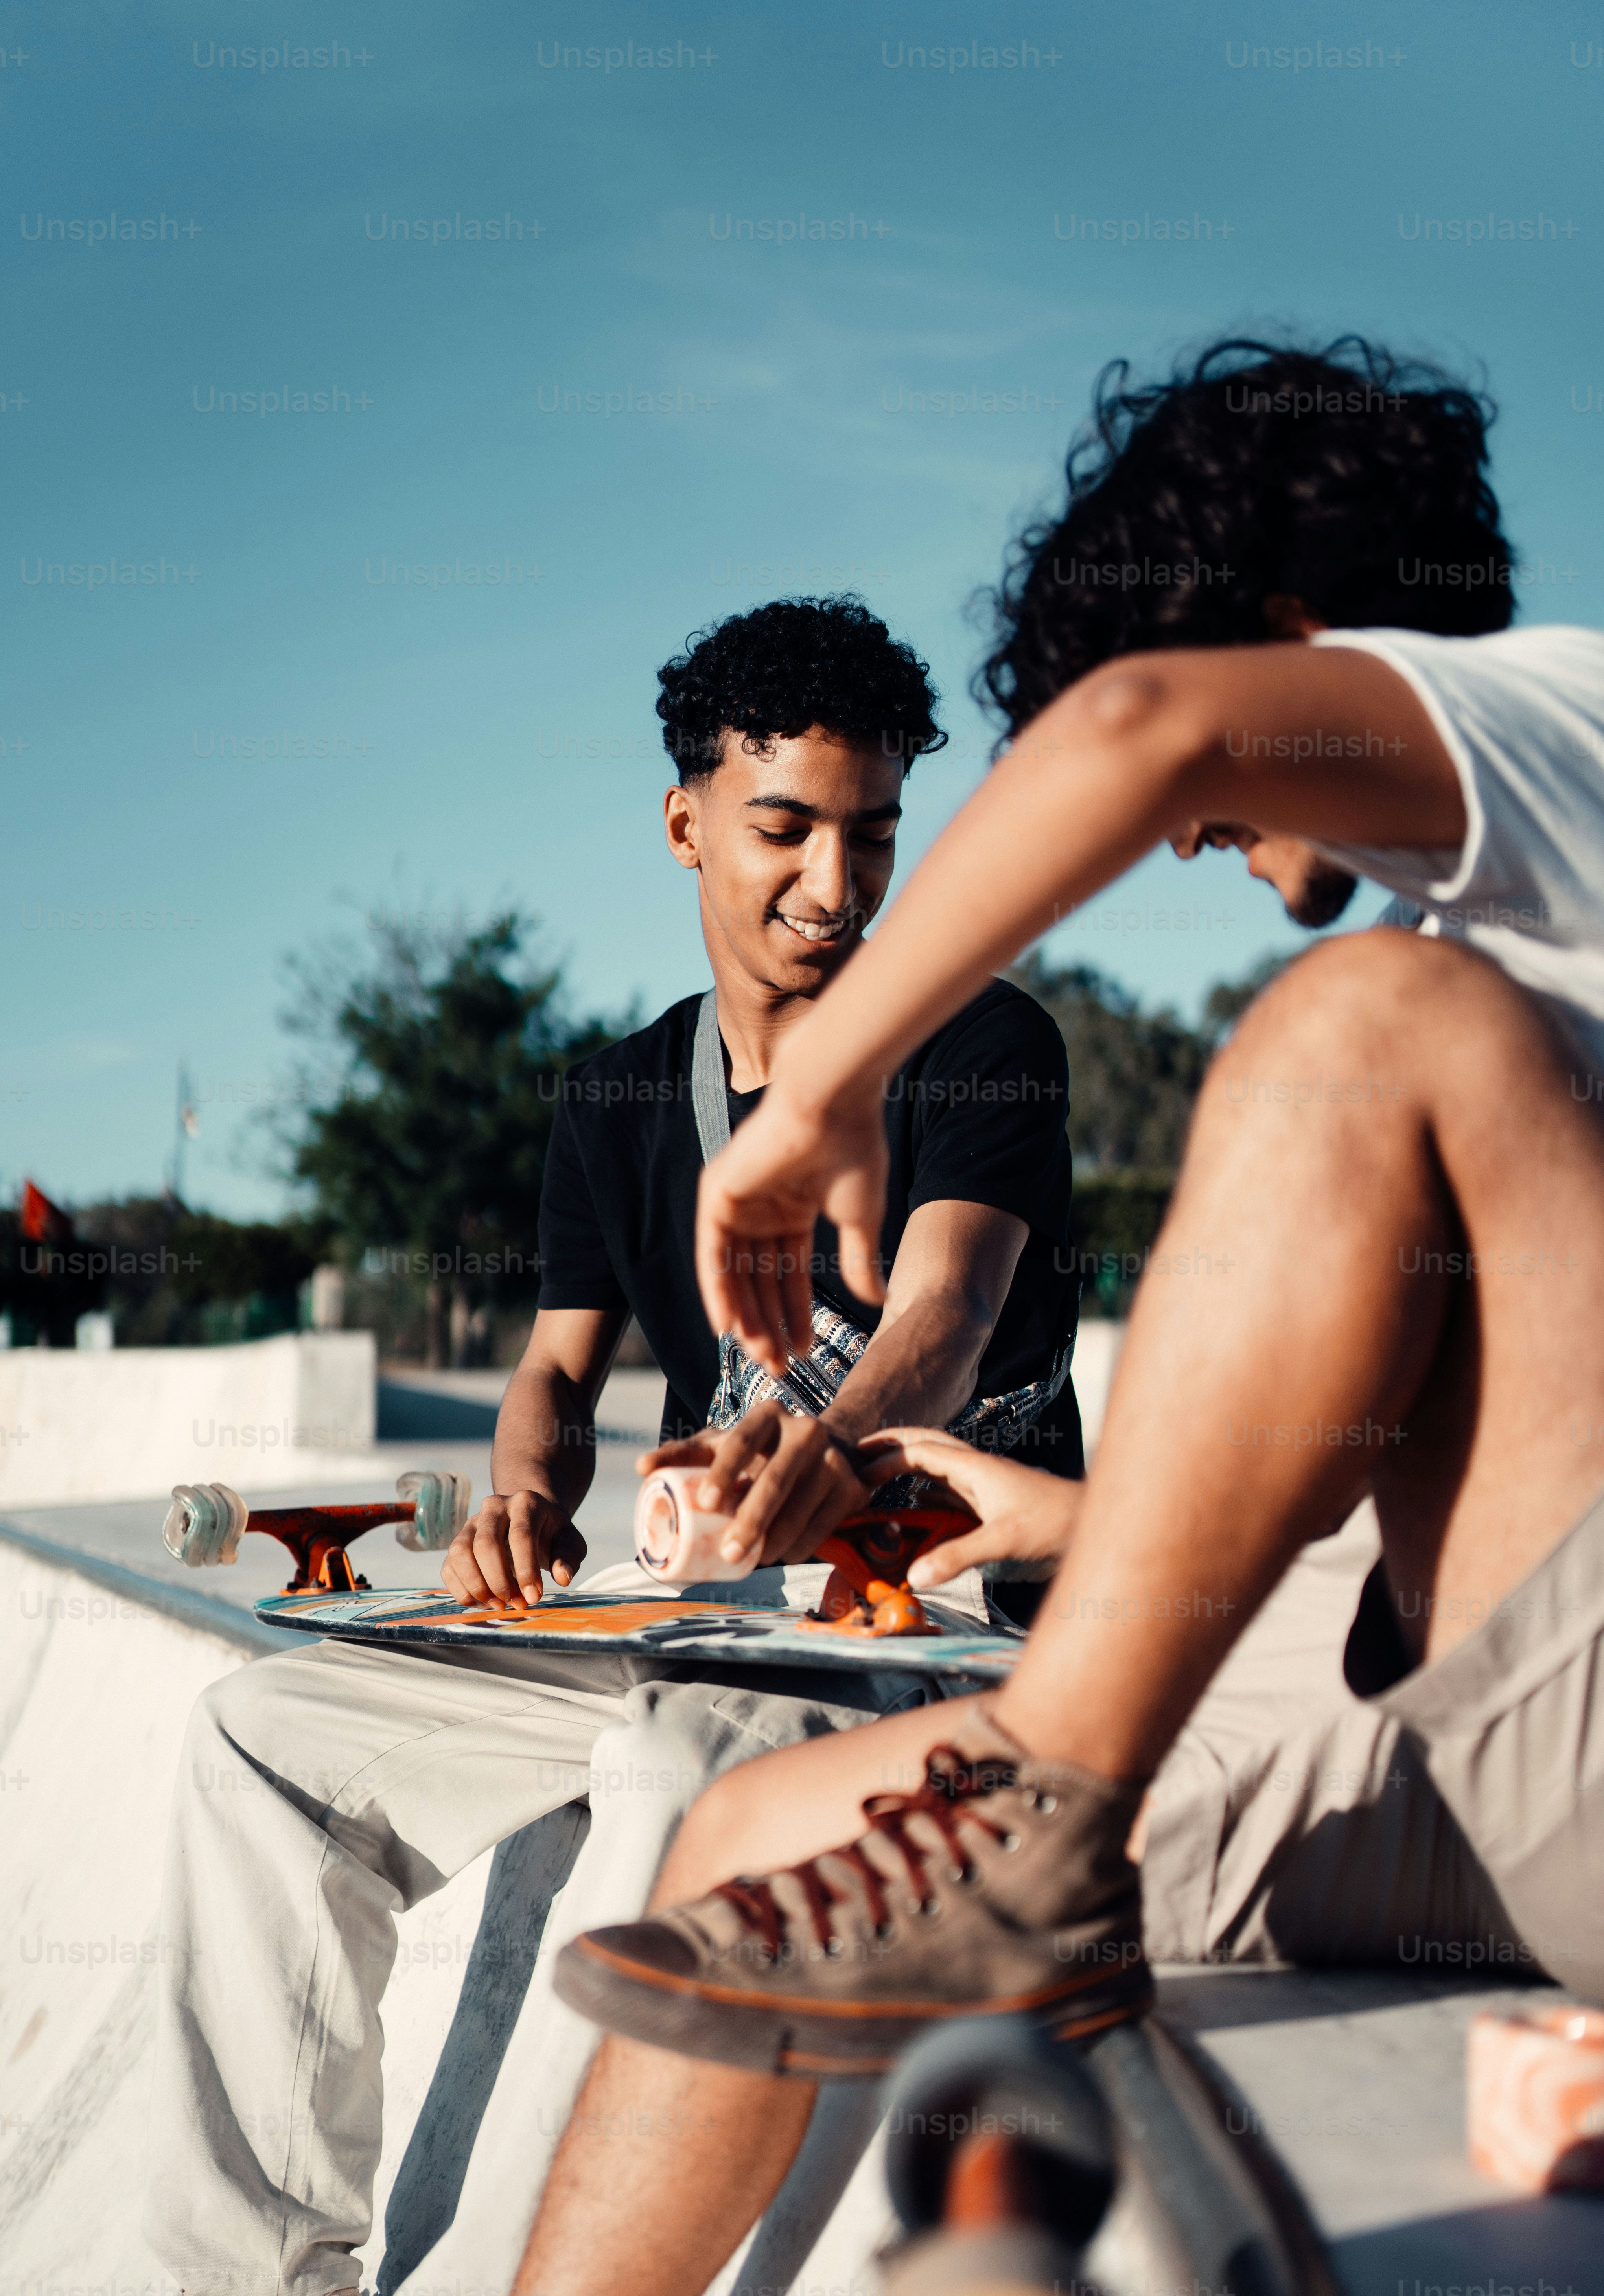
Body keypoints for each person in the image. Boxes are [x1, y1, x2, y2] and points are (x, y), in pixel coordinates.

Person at [519, 335, 1604, 2296]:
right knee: (754, 1837)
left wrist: (833, 1073)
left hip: (1552, 1741)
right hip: (1500, 1763)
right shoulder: (1517, 969)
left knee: (1359, 1029)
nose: (1186, 837)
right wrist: (1072, 1521)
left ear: (1294, 642)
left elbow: (1147, 732)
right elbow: (1405, 1492)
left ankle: (1043, 1808)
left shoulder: (1570, 720)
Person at [143, 595, 1087, 2296]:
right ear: (683, 823)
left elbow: (945, 1313)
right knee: (259, 1739)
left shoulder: (982, 1043)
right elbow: (556, 1376)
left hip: (920, 1615)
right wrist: (522, 1494)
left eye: (874, 834)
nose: (837, 885)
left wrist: (826, 1442)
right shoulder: (614, 1099)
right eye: (786, 829)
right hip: (690, 1606)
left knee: (668, 1769)